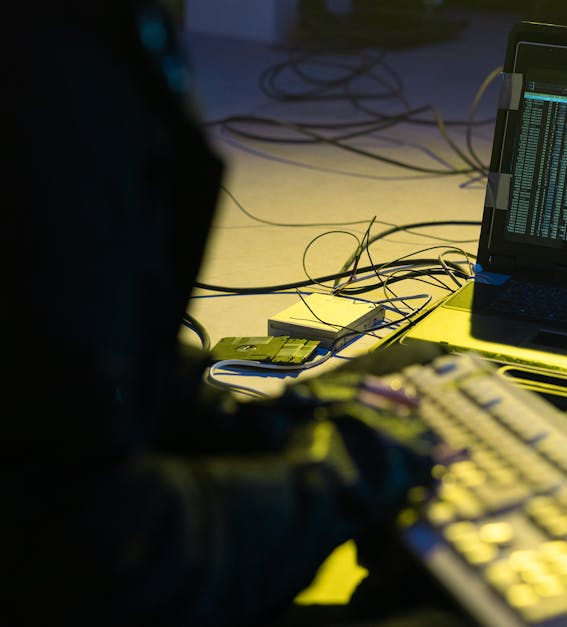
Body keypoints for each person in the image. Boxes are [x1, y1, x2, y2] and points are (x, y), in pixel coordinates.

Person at [2, 2, 470, 625]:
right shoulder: (41, 66)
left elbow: (61, 375)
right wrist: (343, 475)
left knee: (423, 367)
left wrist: (271, 422)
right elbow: (92, 554)